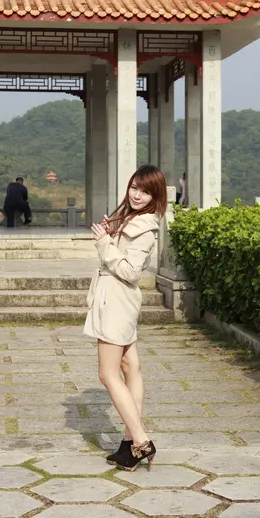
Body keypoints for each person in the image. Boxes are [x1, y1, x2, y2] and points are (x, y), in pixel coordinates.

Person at [85, 164, 167, 471]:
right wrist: (112, 236)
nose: (137, 195)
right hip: (119, 299)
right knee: (130, 366)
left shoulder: (144, 228)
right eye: (134, 187)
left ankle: (142, 442)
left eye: (145, 191)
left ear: (155, 196)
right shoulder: (134, 219)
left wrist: (104, 242)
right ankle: (129, 445)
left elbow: (131, 272)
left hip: (116, 301)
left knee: (107, 374)